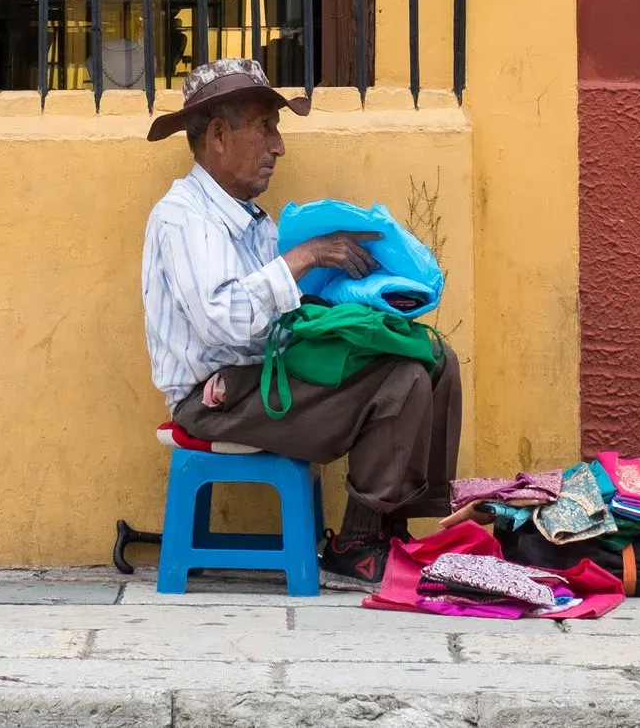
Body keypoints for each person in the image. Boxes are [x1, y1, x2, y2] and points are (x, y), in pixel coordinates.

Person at [140, 57, 462, 586]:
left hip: (265, 374)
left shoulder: (252, 220)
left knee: (430, 357)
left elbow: (285, 313)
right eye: (265, 128)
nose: (278, 146)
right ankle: (358, 542)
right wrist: (307, 256)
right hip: (217, 399)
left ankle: (392, 525)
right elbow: (227, 323)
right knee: (399, 378)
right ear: (219, 135)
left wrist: (366, 301)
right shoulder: (183, 217)